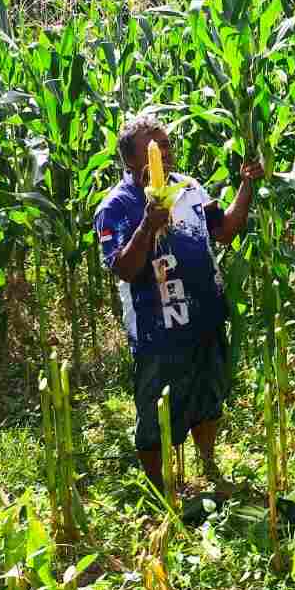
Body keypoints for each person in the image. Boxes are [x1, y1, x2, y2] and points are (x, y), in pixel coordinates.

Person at [95, 112, 262, 496]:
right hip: (159, 330)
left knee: (208, 398)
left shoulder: (189, 188)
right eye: (155, 148)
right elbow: (124, 268)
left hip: (204, 317)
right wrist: (147, 225)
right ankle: (160, 491)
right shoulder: (117, 206)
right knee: (156, 413)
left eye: (167, 145)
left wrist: (246, 184)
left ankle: (208, 467)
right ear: (130, 160)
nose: (166, 153)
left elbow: (224, 230)